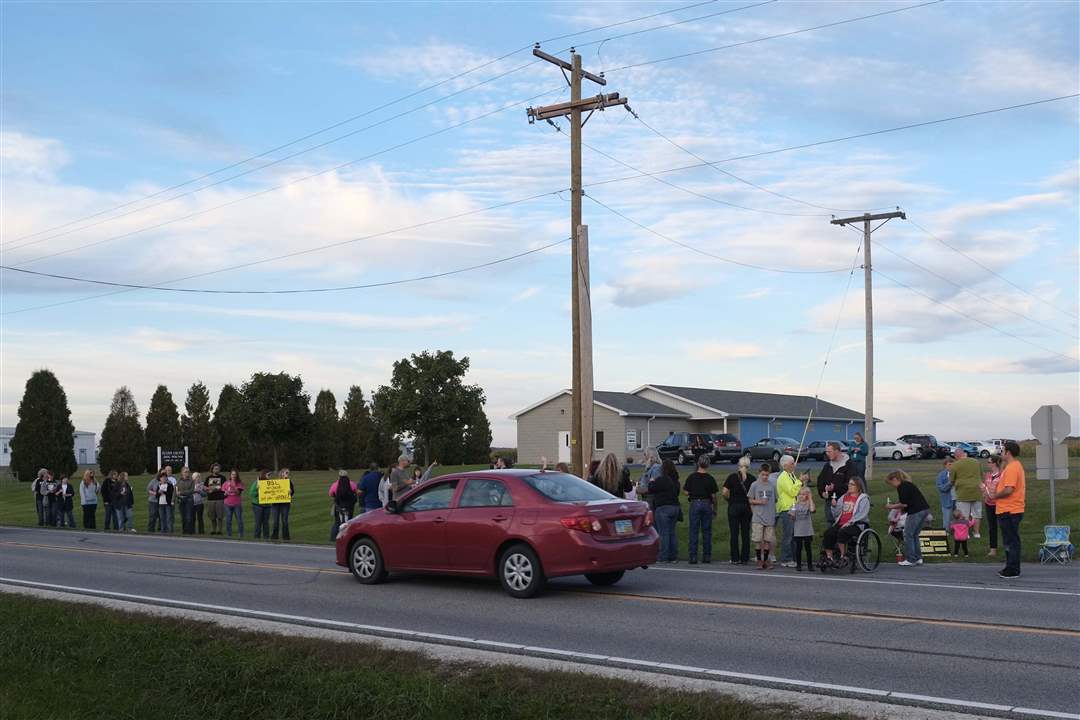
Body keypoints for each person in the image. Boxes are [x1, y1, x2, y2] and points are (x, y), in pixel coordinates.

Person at [885, 470, 930, 567]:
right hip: (924, 509)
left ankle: (911, 559)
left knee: (908, 534)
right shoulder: (908, 484)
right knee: (914, 535)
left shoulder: (902, 486)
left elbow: (904, 503)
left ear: (895, 479)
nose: (892, 485)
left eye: (891, 482)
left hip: (915, 511)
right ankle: (918, 558)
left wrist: (891, 506)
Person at [994, 441, 1026, 579]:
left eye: (1002, 451)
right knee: (1008, 540)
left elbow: (1009, 489)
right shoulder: (1011, 466)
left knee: (1012, 541)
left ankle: (1013, 569)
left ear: (1008, 452)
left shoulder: (1013, 467)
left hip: (1010, 510)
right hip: (1006, 509)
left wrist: (995, 495)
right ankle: (1009, 566)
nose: (1001, 453)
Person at [822, 477, 870, 567]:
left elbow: (862, 514)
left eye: (852, 484)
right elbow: (836, 514)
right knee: (829, 533)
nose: (849, 486)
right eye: (849, 484)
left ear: (858, 486)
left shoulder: (863, 499)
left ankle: (843, 556)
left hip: (857, 524)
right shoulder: (844, 497)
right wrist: (834, 506)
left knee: (843, 532)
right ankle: (829, 557)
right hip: (841, 523)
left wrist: (851, 522)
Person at [684, 455, 718, 565]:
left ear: (698, 463)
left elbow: (685, 491)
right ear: (708, 465)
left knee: (693, 530)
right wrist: (714, 509)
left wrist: (691, 494)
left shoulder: (692, 477)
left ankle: (693, 556)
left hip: (695, 503)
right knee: (706, 531)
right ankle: (707, 556)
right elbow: (713, 496)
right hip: (706, 503)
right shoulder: (710, 478)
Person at [648, 459, 681, 563]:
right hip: (675, 507)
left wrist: (652, 480)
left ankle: (663, 556)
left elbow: (651, 489)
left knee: (664, 533)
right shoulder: (676, 481)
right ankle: (673, 556)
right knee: (672, 532)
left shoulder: (661, 480)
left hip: (663, 508)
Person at [722, 457, 753, 564]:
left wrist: (729, 500)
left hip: (734, 506)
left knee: (734, 533)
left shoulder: (732, 477)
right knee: (745, 533)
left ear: (738, 465)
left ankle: (735, 558)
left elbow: (724, 492)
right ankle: (745, 558)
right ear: (748, 466)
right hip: (746, 507)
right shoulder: (751, 478)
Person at [950, 448, 983, 539]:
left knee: (964, 514)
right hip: (976, 490)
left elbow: (952, 480)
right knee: (977, 514)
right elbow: (981, 475)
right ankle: (976, 533)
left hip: (962, 492)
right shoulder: (976, 462)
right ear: (964, 454)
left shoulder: (955, 465)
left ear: (956, 456)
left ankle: (966, 533)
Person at [816, 442, 852, 525]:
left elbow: (851, 484)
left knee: (842, 523)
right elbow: (820, 480)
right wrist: (822, 492)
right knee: (830, 522)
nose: (827, 454)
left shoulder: (849, 465)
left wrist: (835, 487)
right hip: (829, 501)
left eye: (829, 451)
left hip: (844, 501)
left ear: (837, 451)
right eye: (826, 452)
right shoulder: (827, 465)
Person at [748, 467, 776, 570]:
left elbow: (775, 500)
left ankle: (766, 559)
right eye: (763, 474)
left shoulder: (772, 485)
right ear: (759, 473)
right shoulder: (754, 485)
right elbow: (750, 500)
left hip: (769, 516)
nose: (765, 477)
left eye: (767, 475)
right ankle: (759, 559)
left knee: (768, 540)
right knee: (758, 540)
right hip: (758, 516)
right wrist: (759, 502)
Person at [775, 455, 801, 568]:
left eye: (794, 463)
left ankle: (794, 557)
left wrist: (798, 482)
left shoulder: (791, 475)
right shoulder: (783, 477)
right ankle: (786, 559)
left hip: (794, 508)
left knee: (794, 535)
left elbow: (797, 490)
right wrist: (800, 481)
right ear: (785, 465)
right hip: (787, 509)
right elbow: (792, 492)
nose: (794, 465)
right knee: (788, 535)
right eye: (792, 463)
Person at [790, 486, 816, 571]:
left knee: (808, 548)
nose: (801, 496)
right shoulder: (795, 504)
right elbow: (792, 516)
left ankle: (810, 565)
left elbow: (812, 510)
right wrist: (792, 515)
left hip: (807, 530)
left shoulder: (809, 503)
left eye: (804, 494)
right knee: (799, 548)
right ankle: (798, 564)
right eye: (800, 494)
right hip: (798, 530)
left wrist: (810, 499)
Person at [981, 455, 1001, 558]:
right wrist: (983, 490)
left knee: (1004, 527)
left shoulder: (1002, 475)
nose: (987, 464)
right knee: (992, 527)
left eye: (989, 462)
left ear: (995, 463)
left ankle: (1008, 547)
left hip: (1000, 505)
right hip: (989, 504)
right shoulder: (988, 475)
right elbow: (985, 487)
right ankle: (993, 549)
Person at [330, 470, 359, 540]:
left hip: (339, 505)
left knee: (338, 522)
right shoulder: (352, 483)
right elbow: (356, 492)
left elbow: (331, 494)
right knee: (348, 521)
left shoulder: (335, 484)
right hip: (349, 506)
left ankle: (334, 537)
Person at [270, 468, 295, 541]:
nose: (288, 474)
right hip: (275, 504)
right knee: (275, 521)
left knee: (285, 521)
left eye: (288, 473)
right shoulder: (276, 482)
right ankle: (274, 536)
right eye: (286, 473)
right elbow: (271, 491)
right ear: (282, 473)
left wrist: (291, 492)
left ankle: (286, 537)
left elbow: (292, 491)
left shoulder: (289, 482)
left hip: (285, 504)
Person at [204, 464, 226, 535]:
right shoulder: (208, 478)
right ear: (212, 469)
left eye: (218, 468)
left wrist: (216, 489)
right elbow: (204, 487)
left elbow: (225, 487)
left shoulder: (222, 478)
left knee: (220, 516)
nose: (217, 470)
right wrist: (208, 489)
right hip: (211, 499)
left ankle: (219, 530)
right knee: (212, 516)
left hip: (220, 499)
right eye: (215, 468)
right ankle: (213, 530)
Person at [223, 470, 244, 537]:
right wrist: (225, 493)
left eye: (235, 474)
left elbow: (238, 493)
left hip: (237, 504)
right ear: (230, 475)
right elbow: (223, 493)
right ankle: (229, 534)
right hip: (227, 504)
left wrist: (234, 487)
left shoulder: (239, 483)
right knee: (228, 519)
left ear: (237, 475)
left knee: (239, 519)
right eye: (232, 474)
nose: (234, 476)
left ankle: (241, 534)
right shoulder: (226, 483)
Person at [936, 458, 955, 529]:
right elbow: (941, 488)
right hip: (947, 499)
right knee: (947, 517)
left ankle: (959, 530)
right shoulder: (941, 475)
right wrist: (950, 483)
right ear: (945, 465)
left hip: (958, 499)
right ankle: (946, 531)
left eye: (953, 464)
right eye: (949, 464)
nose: (951, 466)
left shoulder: (957, 474)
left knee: (958, 516)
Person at [177, 467, 196, 535]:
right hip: (181, 500)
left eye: (188, 472)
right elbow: (176, 490)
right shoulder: (179, 481)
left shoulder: (191, 481)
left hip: (189, 500)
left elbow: (191, 491)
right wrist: (178, 495)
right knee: (183, 517)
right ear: (182, 473)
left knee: (189, 517)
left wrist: (182, 493)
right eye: (185, 472)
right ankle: (184, 531)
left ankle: (189, 532)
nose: (187, 473)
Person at [164, 465, 178, 533]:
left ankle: (171, 528)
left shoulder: (173, 479)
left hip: (172, 499)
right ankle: (167, 529)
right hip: (164, 500)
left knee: (171, 515)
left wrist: (173, 499)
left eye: (170, 470)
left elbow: (175, 490)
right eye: (167, 470)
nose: (168, 471)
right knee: (166, 515)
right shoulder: (163, 478)